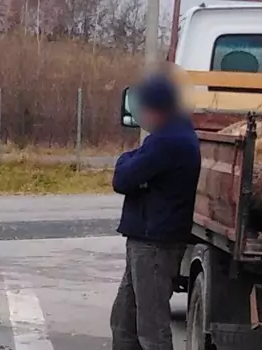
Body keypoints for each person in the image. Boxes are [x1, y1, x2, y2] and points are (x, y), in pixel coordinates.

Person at [110, 73, 201, 350]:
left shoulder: (167, 141)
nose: (141, 115)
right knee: (124, 321)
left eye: (145, 108)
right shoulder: (171, 136)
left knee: (151, 329)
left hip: (154, 245)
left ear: (160, 108)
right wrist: (135, 165)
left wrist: (128, 159)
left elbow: (122, 179)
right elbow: (133, 174)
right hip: (146, 240)